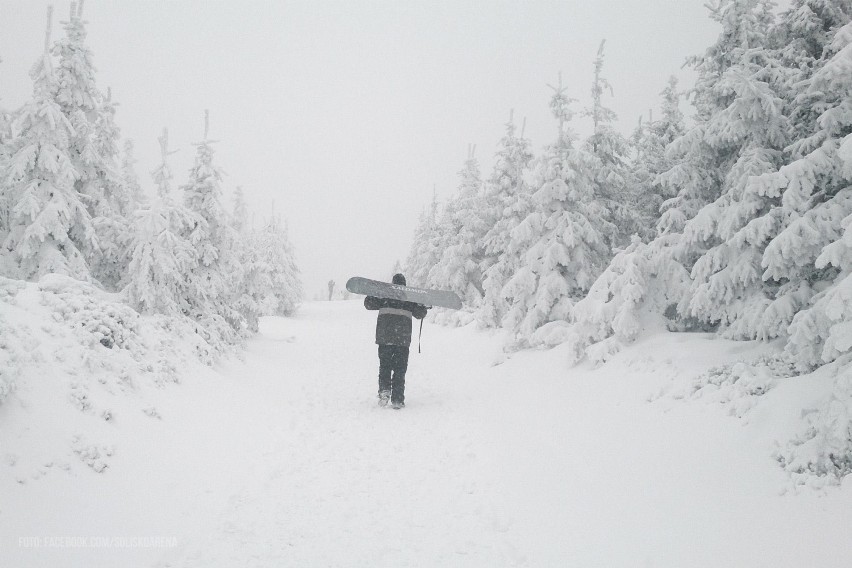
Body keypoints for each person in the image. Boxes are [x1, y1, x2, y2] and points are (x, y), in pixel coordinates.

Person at [364, 273, 428, 409]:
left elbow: (368, 304)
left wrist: (370, 294)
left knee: (385, 366)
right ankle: (398, 399)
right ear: (404, 285)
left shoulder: (384, 296)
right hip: (402, 340)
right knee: (400, 369)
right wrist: (423, 306)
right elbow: (420, 314)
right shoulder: (410, 299)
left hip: (385, 338)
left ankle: (384, 392)